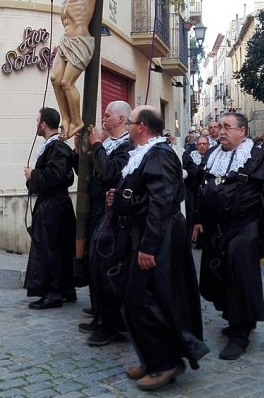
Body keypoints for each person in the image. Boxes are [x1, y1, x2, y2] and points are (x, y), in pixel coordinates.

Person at [109, 105, 208, 391]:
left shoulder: (160, 154)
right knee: (136, 298)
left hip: (159, 238)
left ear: (141, 126)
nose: (126, 127)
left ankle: (166, 362)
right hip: (147, 235)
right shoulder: (145, 154)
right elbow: (142, 193)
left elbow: (161, 203)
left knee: (144, 299)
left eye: (130, 122)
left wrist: (148, 247)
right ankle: (153, 358)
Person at [193, 112, 264, 360]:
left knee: (240, 279)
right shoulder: (212, 154)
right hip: (215, 228)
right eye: (219, 127)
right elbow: (202, 187)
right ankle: (237, 318)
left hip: (245, 227)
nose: (221, 131)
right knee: (216, 278)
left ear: (241, 131)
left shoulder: (257, 156)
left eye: (227, 127)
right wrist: (199, 219)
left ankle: (240, 333)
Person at [48, 0, 138, 138]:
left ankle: (77, 121)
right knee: (55, 78)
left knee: (66, 83)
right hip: (66, 41)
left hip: (81, 40)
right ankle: (66, 119)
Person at [80, 100, 133, 346]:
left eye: (108, 114)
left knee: (105, 265)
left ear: (120, 119)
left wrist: (98, 146)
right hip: (97, 209)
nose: (104, 116)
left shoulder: (127, 146)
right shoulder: (107, 144)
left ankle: (110, 324)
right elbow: (91, 173)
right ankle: (100, 316)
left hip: (112, 214)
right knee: (93, 262)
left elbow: (110, 172)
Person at [24, 107, 77, 309]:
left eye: (37, 120)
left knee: (51, 249)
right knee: (57, 248)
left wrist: (33, 176)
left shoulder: (57, 147)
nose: (36, 124)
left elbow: (55, 177)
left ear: (43, 124)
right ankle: (63, 289)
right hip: (52, 205)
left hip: (54, 207)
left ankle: (53, 293)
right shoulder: (54, 146)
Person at [183, 135, 210, 246]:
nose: (202, 146)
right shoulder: (191, 157)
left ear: (208, 145)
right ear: (196, 146)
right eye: (200, 144)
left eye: (204, 144)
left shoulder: (214, 156)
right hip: (194, 192)